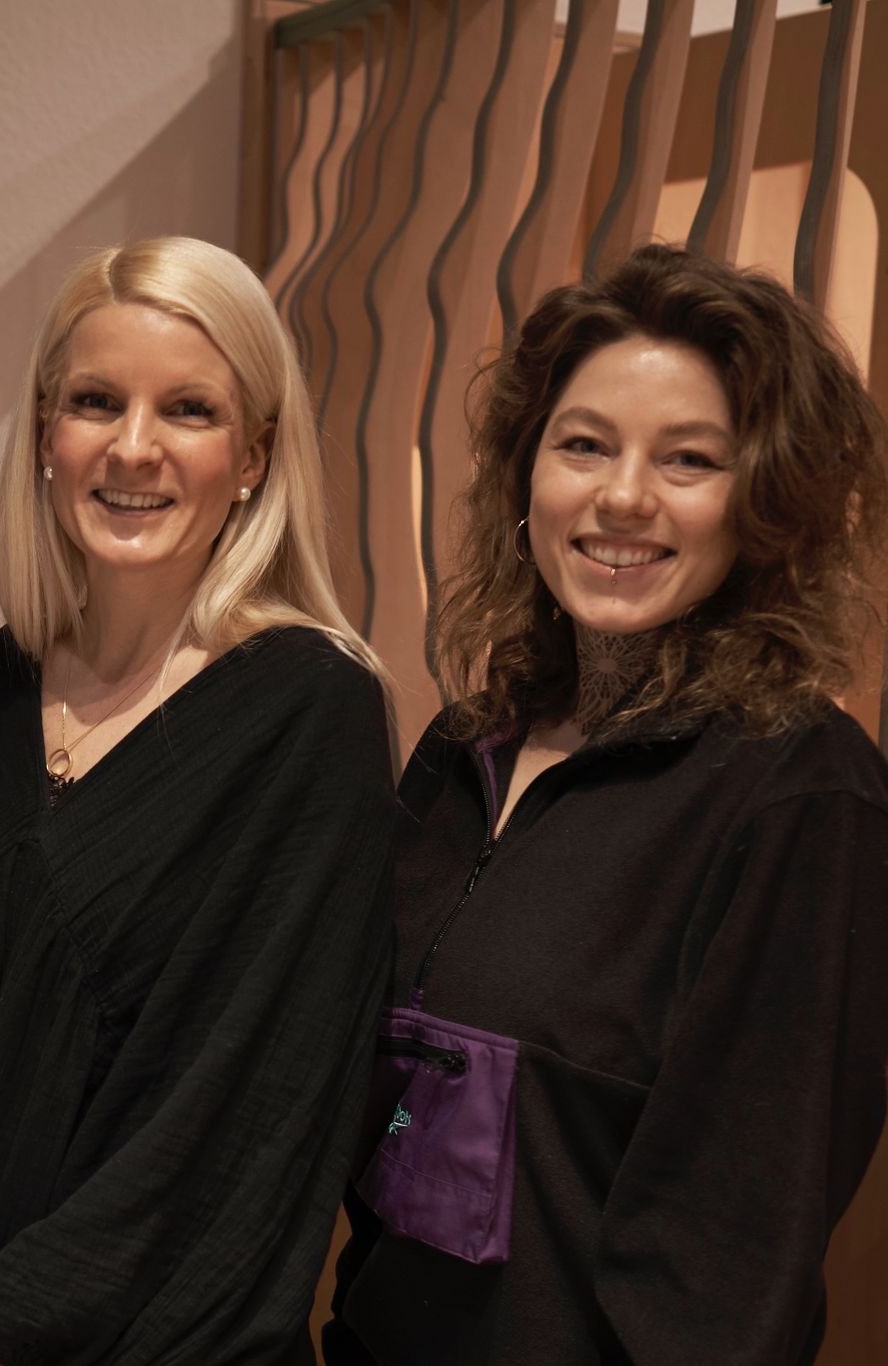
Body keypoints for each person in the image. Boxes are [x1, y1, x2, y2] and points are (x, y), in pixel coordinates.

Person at [0, 236, 397, 1366]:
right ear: (45, 436)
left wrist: (6, 1334)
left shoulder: (313, 710)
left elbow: (243, 1111)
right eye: (96, 401)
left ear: (253, 456)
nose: (133, 446)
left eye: (189, 410)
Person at [323, 245, 888, 1365]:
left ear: (765, 503)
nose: (622, 497)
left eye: (689, 459)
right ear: (526, 472)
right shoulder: (462, 749)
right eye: (583, 444)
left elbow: (731, 1258)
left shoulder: (801, 797)